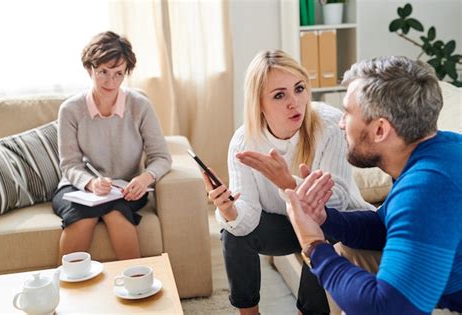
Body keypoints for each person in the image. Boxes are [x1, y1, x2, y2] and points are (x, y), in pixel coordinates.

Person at [285, 56, 462, 314]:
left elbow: (388, 308)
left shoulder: (425, 188)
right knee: (348, 251)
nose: (341, 123)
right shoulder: (438, 150)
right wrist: (323, 218)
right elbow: (383, 225)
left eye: (347, 112)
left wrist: (313, 244)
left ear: (380, 130)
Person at [202, 49, 373, 315]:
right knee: (232, 232)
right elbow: (247, 219)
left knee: (323, 224)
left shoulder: (328, 125)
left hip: (333, 222)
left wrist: (287, 184)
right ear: (259, 103)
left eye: (299, 88)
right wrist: (229, 210)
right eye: (279, 95)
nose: (295, 102)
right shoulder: (244, 141)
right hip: (284, 226)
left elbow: (337, 198)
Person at [52, 31, 172, 261]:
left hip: (126, 188)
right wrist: (91, 183)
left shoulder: (140, 106)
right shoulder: (70, 110)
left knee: (116, 213)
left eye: (118, 74)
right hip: (78, 187)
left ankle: (135, 285)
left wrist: (145, 178)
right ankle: (68, 290)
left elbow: (161, 157)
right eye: (103, 72)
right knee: (83, 215)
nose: (111, 82)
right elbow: (70, 164)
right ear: (90, 69)